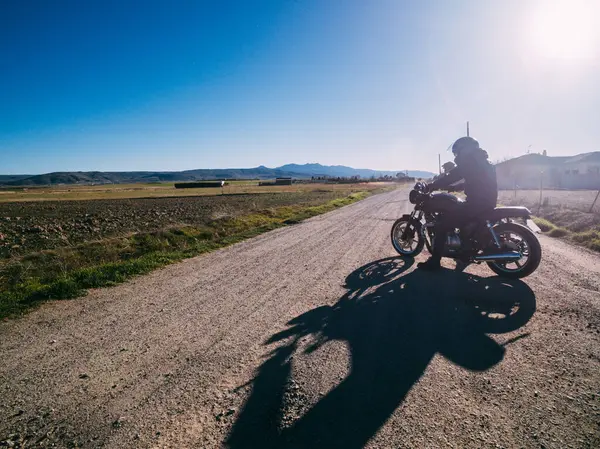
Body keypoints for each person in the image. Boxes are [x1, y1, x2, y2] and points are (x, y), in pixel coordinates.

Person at [418, 136, 498, 271]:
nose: (456, 155)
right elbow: (476, 182)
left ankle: (434, 261)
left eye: (457, 152)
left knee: (442, 225)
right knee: (459, 220)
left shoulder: (469, 162)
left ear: (464, 149)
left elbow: (452, 176)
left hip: (476, 203)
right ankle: (465, 251)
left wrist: (431, 186)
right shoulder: (483, 161)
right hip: (486, 202)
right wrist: (455, 188)